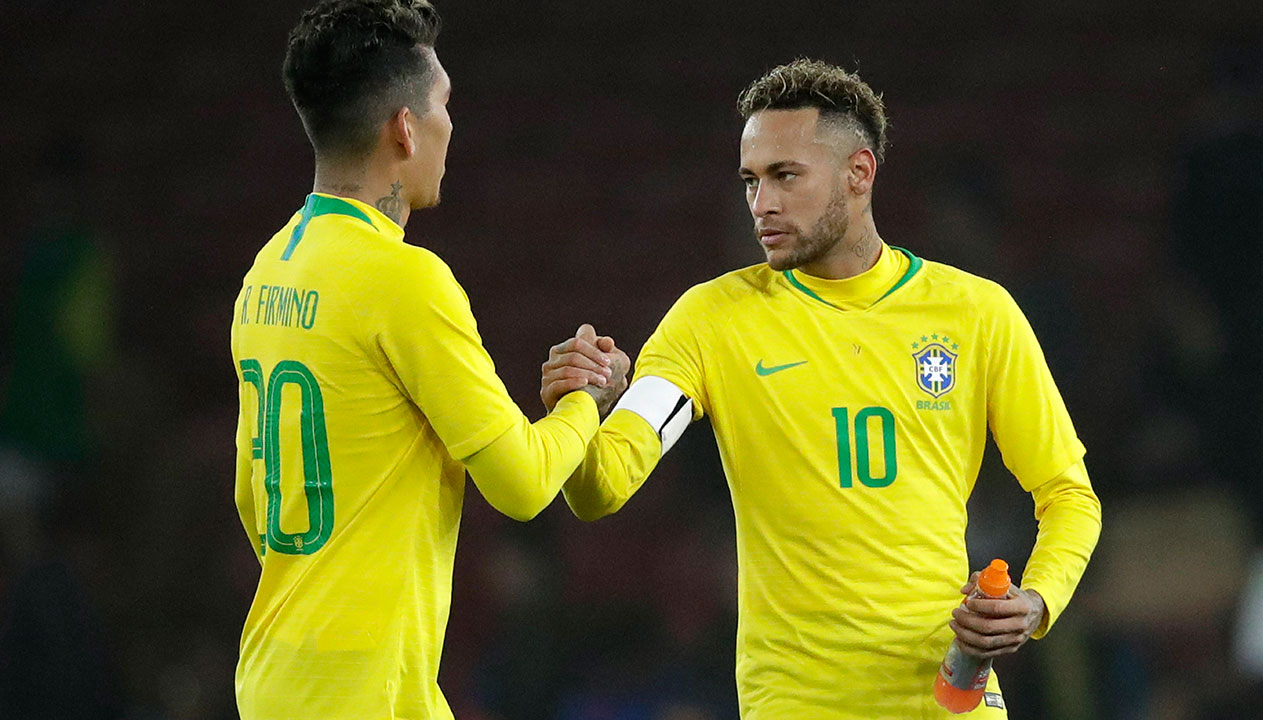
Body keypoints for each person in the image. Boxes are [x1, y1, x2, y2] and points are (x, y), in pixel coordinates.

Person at [541, 59, 1102, 719]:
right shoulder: (709, 321)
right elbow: (601, 488)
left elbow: (1068, 496)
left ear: (858, 174)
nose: (761, 204)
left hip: (948, 700)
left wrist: (1034, 603)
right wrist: (580, 406)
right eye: (751, 181)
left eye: (785, 176)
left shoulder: (977, 314)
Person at [230, 2, 626, 718]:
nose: (452, 124)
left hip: (276, 675)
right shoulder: (402, 279)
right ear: (405, 129)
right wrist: (585, 399)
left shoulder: (268, 272)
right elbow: (523, 483)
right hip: (361, 692)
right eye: (444, 104)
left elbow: (252, 500)